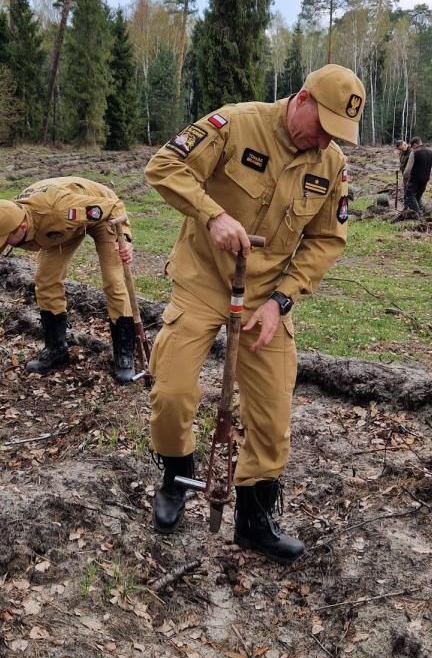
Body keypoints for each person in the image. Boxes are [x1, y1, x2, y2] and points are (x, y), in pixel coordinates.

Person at [144, 63, 366, 562]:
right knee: (174, 390)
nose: (324, 141)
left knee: (271, 414)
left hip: (265, 295)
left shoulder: (330, 164)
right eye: (322, 126)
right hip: (203, 280)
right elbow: (164, 167)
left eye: (337, 135)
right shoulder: (236, 124)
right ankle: (178, 476)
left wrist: (281, 300)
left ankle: (253, 517)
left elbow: (327, 239)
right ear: (303, 98)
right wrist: (213, 214)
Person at [0, 176, 136, 382]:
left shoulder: (59, 210)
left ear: (21, 228)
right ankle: (56, 348)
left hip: (100, 212)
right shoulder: (5, 220)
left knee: (113, 281)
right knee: (46, 280)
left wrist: (124, 239)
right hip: (60, 229)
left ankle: (124, 355)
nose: (0, 245)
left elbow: (114, 206)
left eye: (4, 240)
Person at [403, 137, 432, 215]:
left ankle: (417, 214)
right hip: (425, 179)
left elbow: (408, 170)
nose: (412, 148)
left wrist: (405, 179)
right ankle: (420, 211)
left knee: (409, 195)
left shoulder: (414, 152)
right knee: (418, 196)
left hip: (415, 178)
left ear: (415, 144)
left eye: (412, 146)